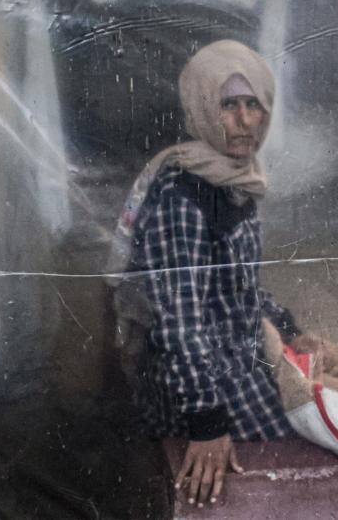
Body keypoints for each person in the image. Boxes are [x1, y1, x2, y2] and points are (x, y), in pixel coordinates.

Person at [112, 39, 304, 510]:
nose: (243, 121)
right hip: (193, 383)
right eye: (228, 106)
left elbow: (237, 289)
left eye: (253, 106)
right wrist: (207, 423)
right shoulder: (184, 197)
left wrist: (287, 326)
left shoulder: (234, 178)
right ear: (201, 109)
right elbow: (179, 321)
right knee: (298, 452)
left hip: (234, 358)